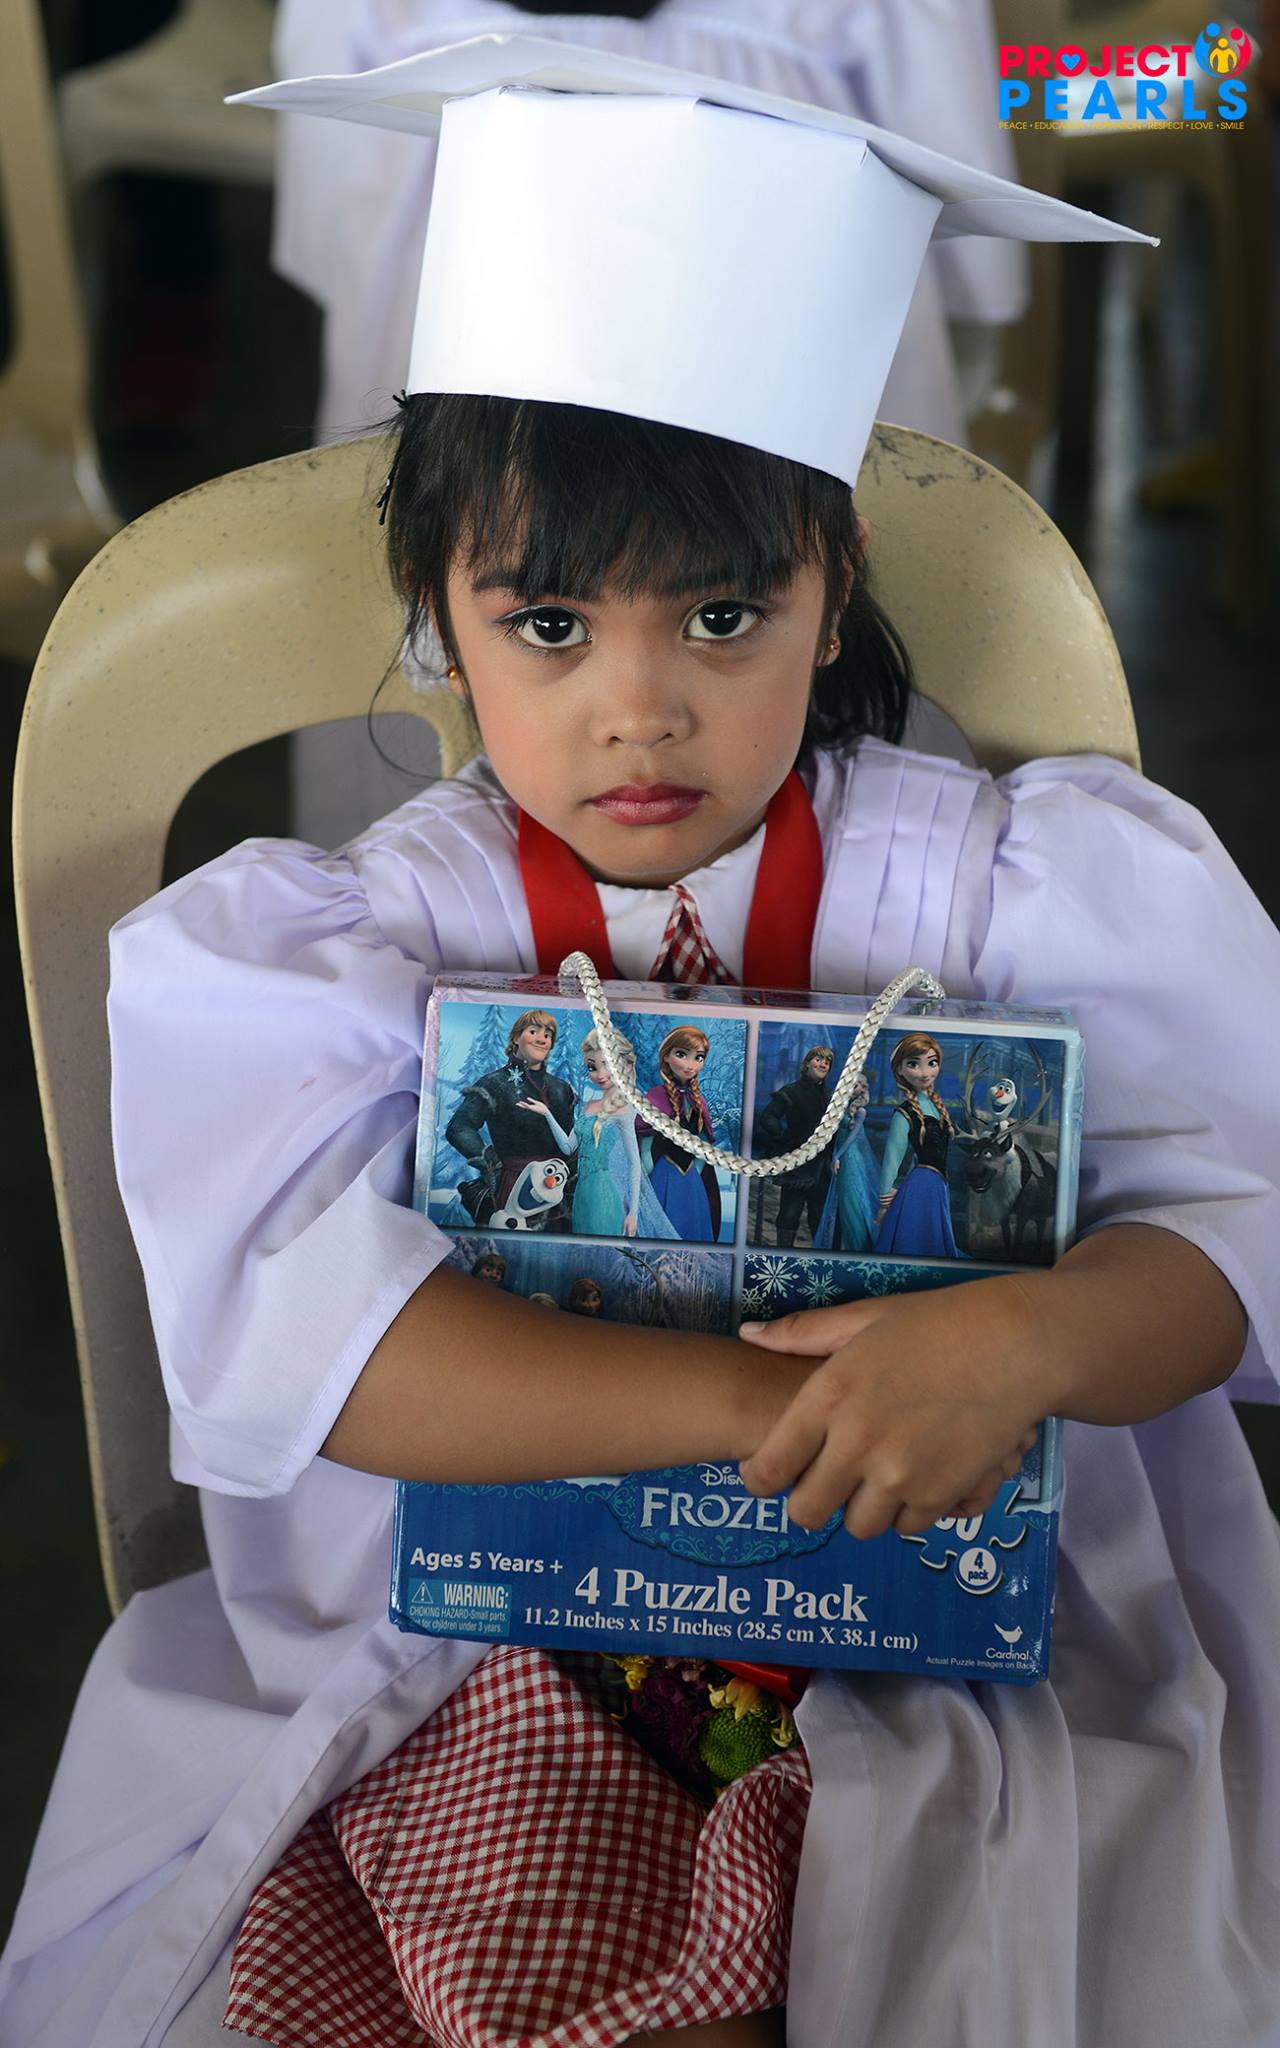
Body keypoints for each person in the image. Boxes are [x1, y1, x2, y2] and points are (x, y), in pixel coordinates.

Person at [4, 42, 1279, 2048]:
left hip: (943, 1641)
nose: (639, 709)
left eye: (720, 616)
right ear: (435, 610)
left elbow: (1231, 1234)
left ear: (834, 593)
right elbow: (331, 1358)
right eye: (547, 626)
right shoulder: (361, 951)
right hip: (473, 1645)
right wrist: (770, 1411)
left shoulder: (993, 901)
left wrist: (1034, 1340)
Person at [443, 1006, 576, 1228]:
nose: (541, 1039)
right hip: (512, 1188)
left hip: (556, 1193)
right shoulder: (494, 1084)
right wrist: (490, 1161)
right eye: (533, 1031)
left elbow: (571, 1143)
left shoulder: (561, 1089)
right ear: (515, 1038)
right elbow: (459, 1127)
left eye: (547, 1035)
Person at [875, 1031, 962, 1258]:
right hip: (920, 1189)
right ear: (899, 1070)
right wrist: (885, 1201)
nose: (925, 1072)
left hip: (937, 1186)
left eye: (932, 1063)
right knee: (914, 1243)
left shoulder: (936, 1106)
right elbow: (891, 1160)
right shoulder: (904, 1114)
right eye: (914, 1064)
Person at [637, 1025, 723, 1242]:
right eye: (682, 1054)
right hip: (663, 1174)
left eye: (698, 1057)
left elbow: (703, 1143)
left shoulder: (698, 1100)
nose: (689, 1064)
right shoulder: (656, 1095)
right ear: (666, 1056)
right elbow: (645, 1141)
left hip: (691, 1177)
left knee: (692, 1227)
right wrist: (649, 1172)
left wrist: (698, 1170)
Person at [753, 1046, 837, 1247]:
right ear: (807, 1063)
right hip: (798, 1164)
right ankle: (783, 1255)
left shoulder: (831, 1096)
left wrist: (836, 1155)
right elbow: (768, 1117)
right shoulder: (791, 1091)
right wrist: (784, 1138)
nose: (823, 1064)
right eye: (818, 1059)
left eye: (827, 1062)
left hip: (823, 1166)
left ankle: (818, 1257)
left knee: (819, 1215)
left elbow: (836, 1129)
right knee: (789, 1214)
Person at [812, 1072, 879, 1253]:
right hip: (841, 1155)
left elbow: (852, 1138)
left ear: (862, 1089)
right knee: (841, 1199)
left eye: (855, 1086)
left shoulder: (860, 1111)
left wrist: (837, 1156)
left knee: (852, 1200)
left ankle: (856, 1245)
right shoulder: (843, 1107)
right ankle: (839, 1244)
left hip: (850, 1158)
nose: (851, 1088)